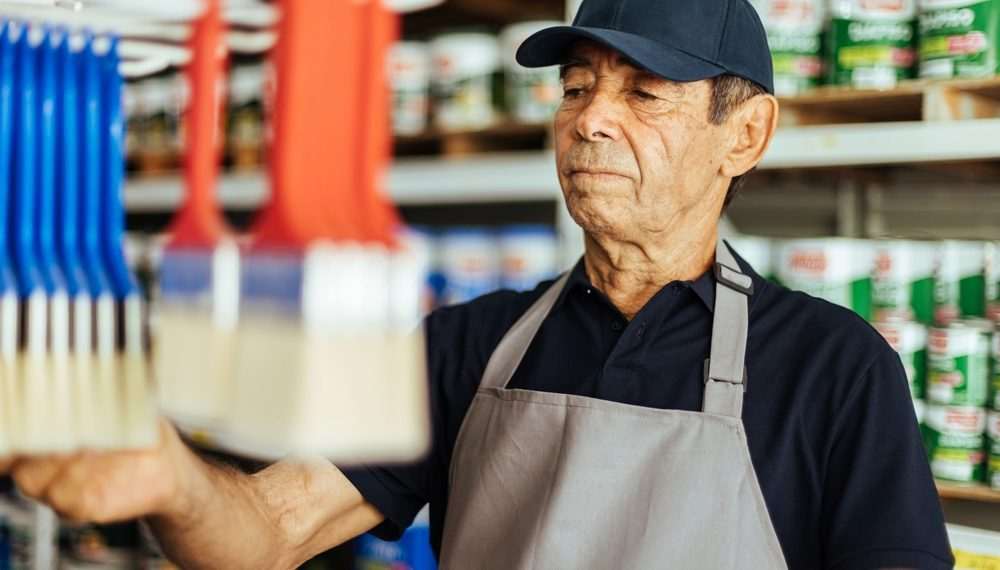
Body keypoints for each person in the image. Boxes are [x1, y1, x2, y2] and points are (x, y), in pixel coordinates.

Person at [2, 0, 953, 568]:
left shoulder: (835, 368)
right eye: (578, 88)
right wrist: (169, 476)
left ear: (744, 135)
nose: (590, 122)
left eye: (643, 94)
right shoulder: (465, 346)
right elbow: (266, 536)